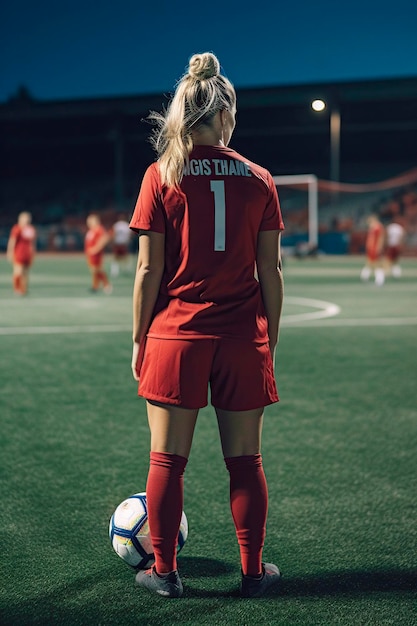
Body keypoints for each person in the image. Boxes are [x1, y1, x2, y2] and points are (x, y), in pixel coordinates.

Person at [129, 52, 284, 599]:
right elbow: (271, 269)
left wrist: (139, 337)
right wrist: (271, 338)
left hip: (176, 334)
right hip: (243, 335)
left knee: (168, 460)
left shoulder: (161, 174)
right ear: (226, 114)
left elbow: (148, 269)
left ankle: (165, 572)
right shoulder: (260, 179)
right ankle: (252, 572)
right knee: (246, 461)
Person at [7, 211, 36, 295]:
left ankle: (24, 288)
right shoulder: (17, 228)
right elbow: (12, 241)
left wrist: (33, 253)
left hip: (27, 253)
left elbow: (32, 243)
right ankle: (17, 288)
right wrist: (10, 252)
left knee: (26, 272)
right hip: (19, 252)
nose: (27, 220)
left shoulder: (31, 229)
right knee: (18, 271)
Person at [84, 213, 112, 293]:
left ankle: (106, 285)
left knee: (98, 269)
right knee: (94, 270)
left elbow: (104, 239)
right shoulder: (92, 230)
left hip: (96, 254)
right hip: (90, 254)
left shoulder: (99, 229)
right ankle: (95, 286)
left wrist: (96, 248)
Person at [360, 213, 385, 286]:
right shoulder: (373, 227)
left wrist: (379, 247)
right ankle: (365, 276)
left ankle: (379, 279)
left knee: (376, 264)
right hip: (371, 248)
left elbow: (381, 238)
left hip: (375, 248)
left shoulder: (378, 227)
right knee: (370, 262)